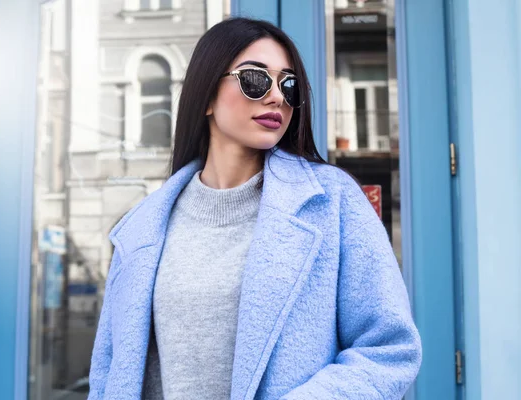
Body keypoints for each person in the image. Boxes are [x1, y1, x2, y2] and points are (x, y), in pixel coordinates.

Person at [88, 17, 421, 400]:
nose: (277, 96)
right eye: (255, 79)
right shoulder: (142, 228)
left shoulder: (332, 202)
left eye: (289, 85)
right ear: (207, 95)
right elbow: (109, 374)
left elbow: (389, 349)